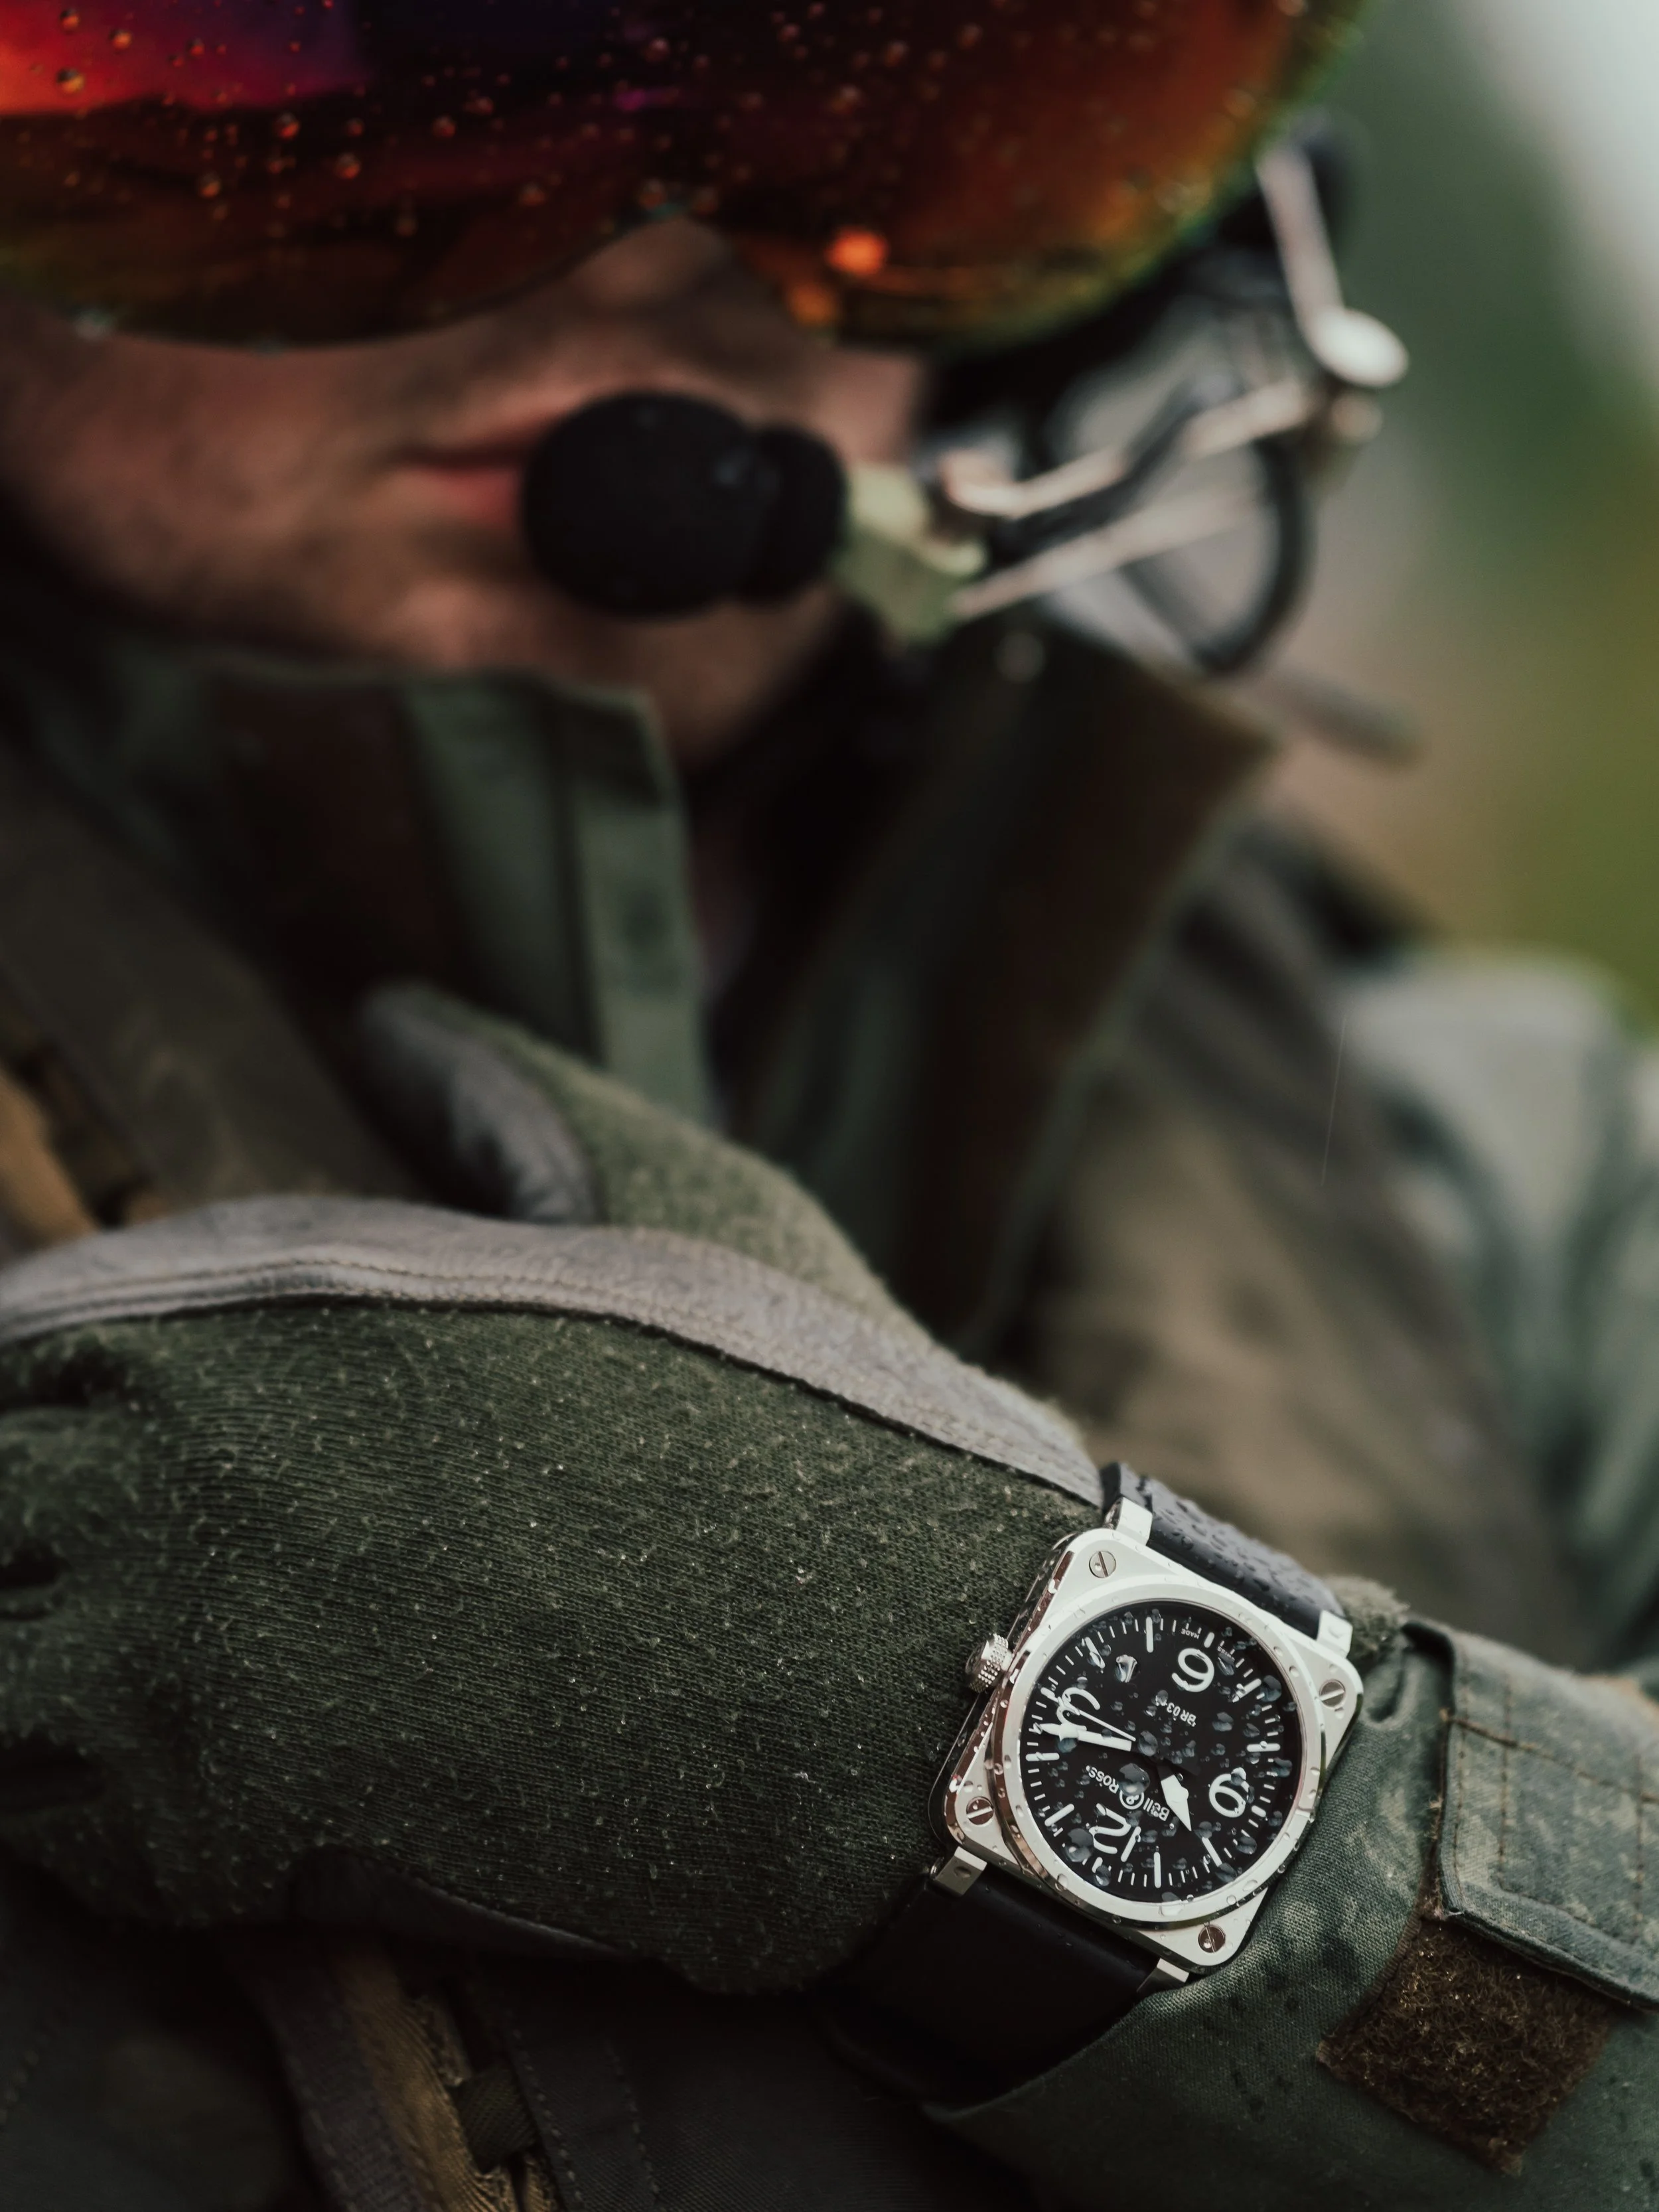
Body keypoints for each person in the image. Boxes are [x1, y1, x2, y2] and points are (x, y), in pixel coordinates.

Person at [0, 1, 1656, 2205]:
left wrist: (955, 1708)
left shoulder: (1505, 1170)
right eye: (337, 85)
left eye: (870, 87)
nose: (652, 259)